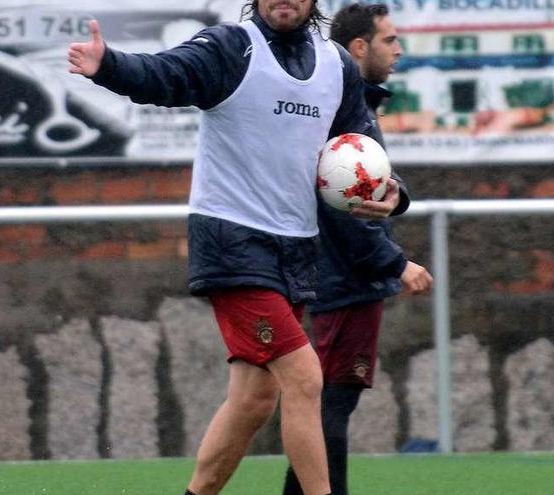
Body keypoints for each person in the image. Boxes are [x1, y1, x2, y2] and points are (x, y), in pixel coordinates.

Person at [68, 1, 409, 494]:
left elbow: (361, 148)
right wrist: (111, 65)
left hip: (295, 248)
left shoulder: (336, 64)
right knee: (305, 376)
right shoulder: (231, 47)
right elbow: (165, 74)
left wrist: (394, 193)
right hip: (232, 242)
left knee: (254, 400)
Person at [282, 4, 433, 495]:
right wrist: (395, 262)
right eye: (390, 40)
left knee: (326, 402)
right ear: (360, 48)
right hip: (343, 281)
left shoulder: (355, 106)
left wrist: (399, 196)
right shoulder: (344, 109)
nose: (399, 50)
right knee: (330, 403)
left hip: (342, 279)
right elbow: (343, 209)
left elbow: (376, 189)